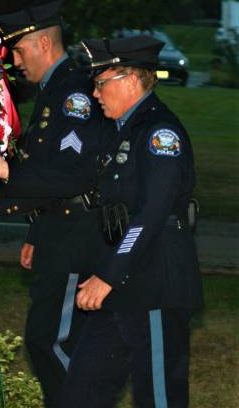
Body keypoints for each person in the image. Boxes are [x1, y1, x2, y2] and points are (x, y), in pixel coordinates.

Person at [0, 1, 110, 407]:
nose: (13, 60)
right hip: (57, 233)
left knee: (53, 342)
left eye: (19, 50)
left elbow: (72, 174)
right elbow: (46, 173)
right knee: (52, 342)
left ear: (43, 43)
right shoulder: (54, 91)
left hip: (76, 237)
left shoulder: (74, 94)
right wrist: (33, 229)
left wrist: (2, 180)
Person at [54, 36, 204, 407]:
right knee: (82, 390)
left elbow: (153, 213)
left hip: (154, 282)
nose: (95, 92)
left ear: (131, 81)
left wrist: (108, 275)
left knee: (157, 396)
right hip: (122, 282)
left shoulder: (159, 134)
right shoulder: (122, 130)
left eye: (101, 82)